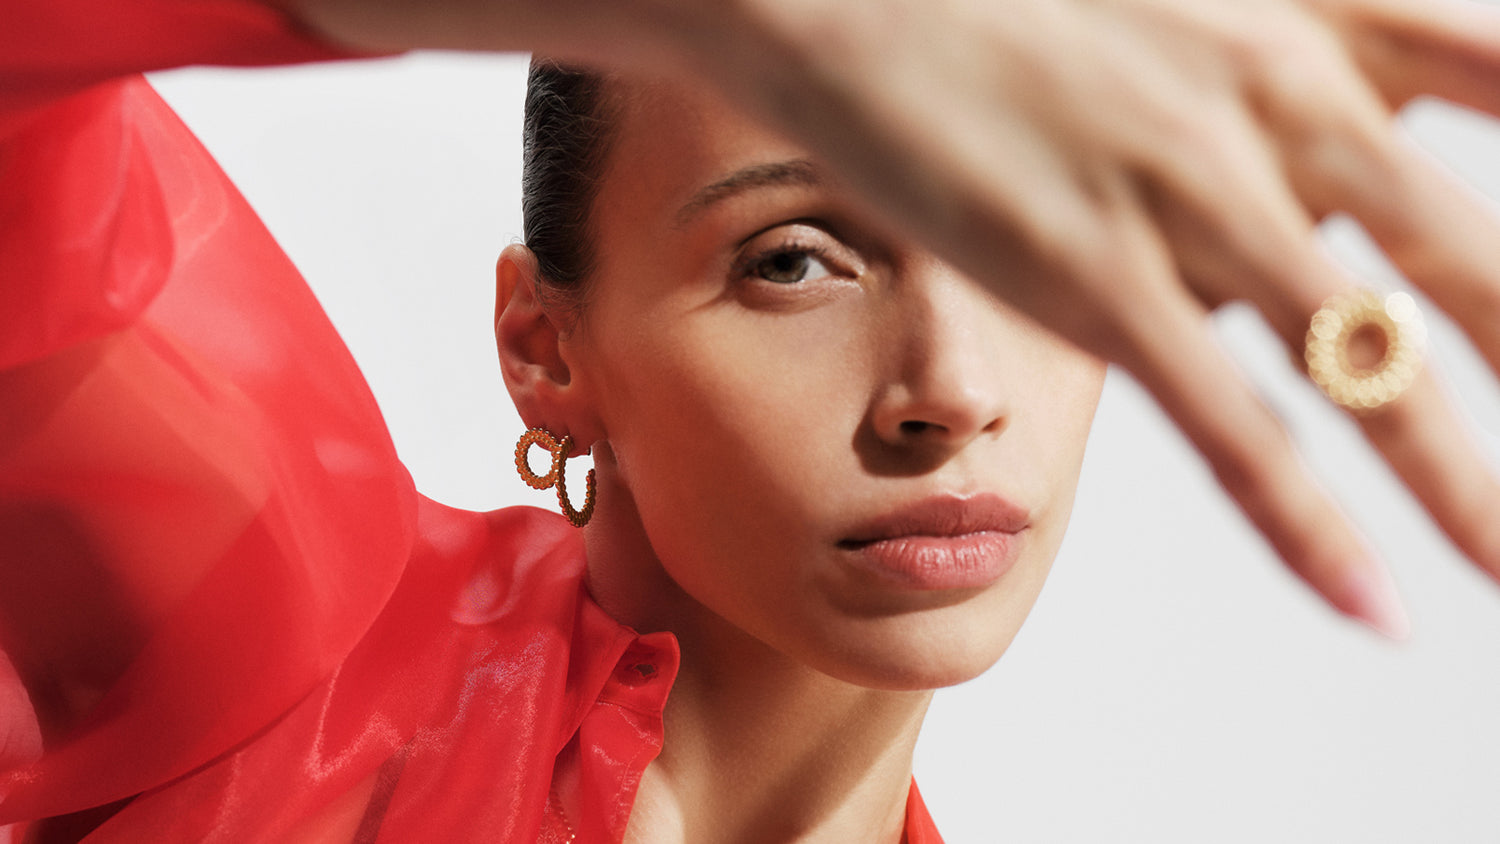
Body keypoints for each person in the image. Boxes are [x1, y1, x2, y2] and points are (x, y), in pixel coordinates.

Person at [3, 0, 1500, 841]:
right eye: (794, 260)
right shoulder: (284, 663)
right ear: (545, 346)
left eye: (1019, 259)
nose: (954, 391)